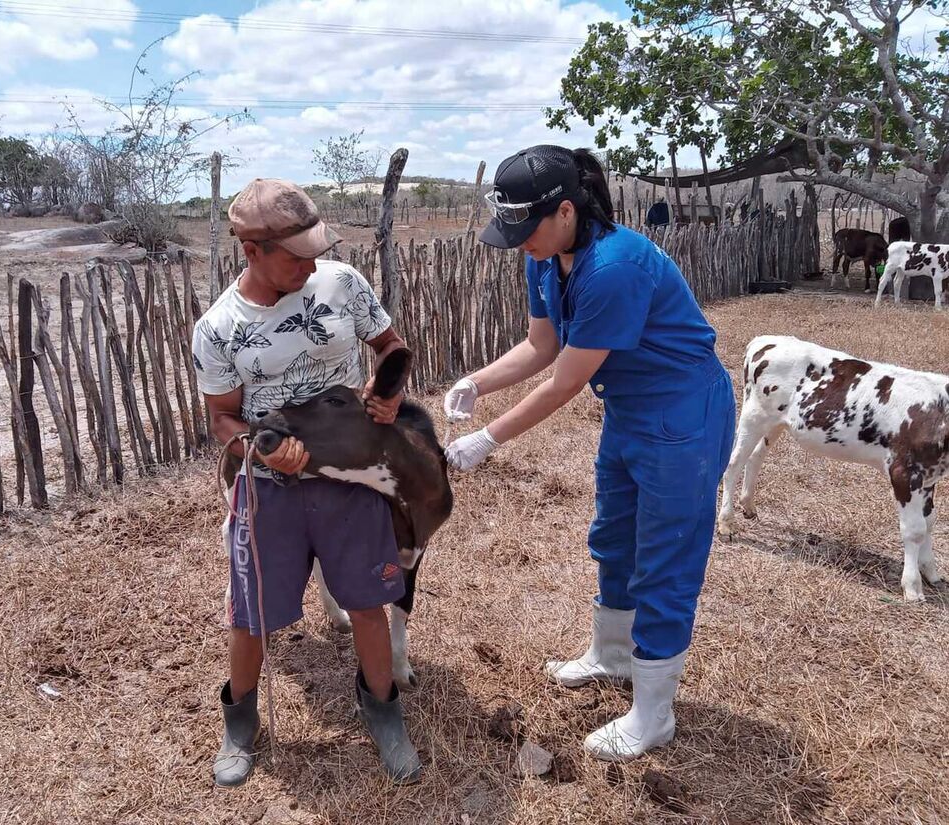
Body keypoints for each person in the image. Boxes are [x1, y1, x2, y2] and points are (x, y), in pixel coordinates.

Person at [443, 145, 736, 761]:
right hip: (630, 410)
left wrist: (488, 438)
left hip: (681, 411)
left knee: (665, 556)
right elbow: (540, 347)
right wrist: (478, 382)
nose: (520, 243)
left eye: (528, 229)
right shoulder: (547, 257)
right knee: (613, 536)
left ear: (568, 211)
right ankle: (611, 656)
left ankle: (653, 713)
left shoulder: (615, 266)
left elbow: (566, 382)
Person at [192, 178, 421, 786]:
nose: (309, 266)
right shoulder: (219, 327)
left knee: (370, 603)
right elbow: (222, 418)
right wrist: (264, 455)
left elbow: (390, 345)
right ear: (252, 251)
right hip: (272, 492)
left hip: (352, 476)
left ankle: (382, 709)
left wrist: (389, 390)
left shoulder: (342, 284)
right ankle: (240, 722)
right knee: (252, 614)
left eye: (314, 251)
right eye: (295, 257)